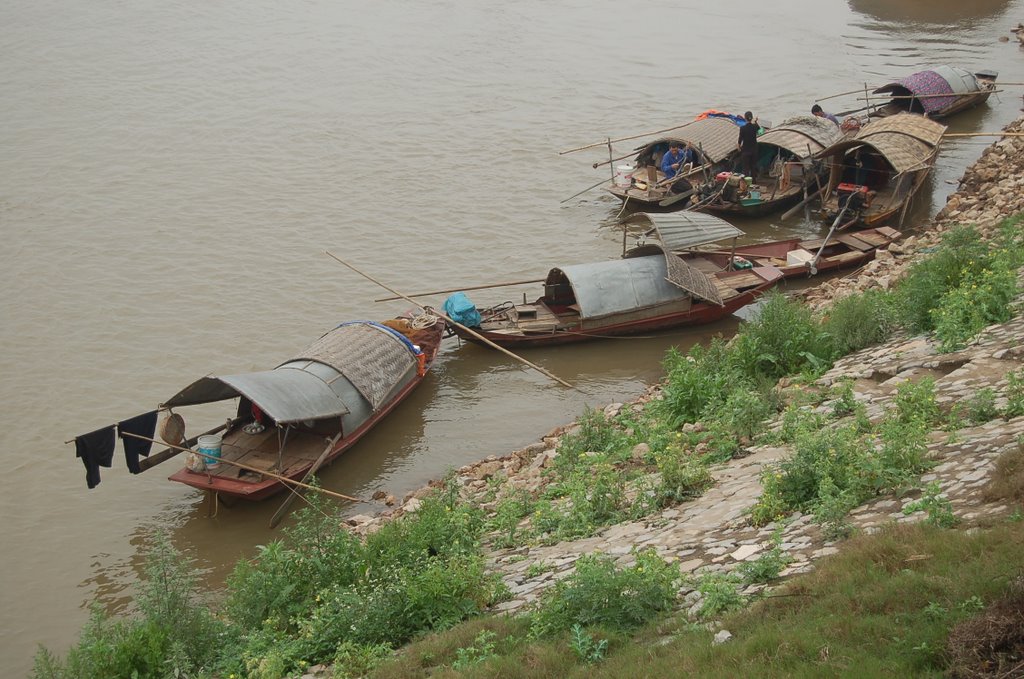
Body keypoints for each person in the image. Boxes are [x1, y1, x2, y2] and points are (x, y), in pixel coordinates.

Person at [737, 111, 760, 181]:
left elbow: (740, 139)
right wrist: (755, 121)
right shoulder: (755, 127)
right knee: (753, 166)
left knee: (746, 168)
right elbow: (758, 128)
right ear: (751, 118)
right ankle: (754, 181)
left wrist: (738, 147)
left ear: (745, 118)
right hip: (754, 150)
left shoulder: (742, 128)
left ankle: (746, 183)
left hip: (746, 151)